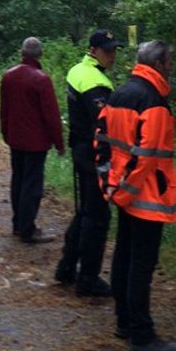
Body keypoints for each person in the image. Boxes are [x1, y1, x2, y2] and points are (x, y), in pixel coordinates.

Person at [95, 40, 176, 351]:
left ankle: (124, 322)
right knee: (140, 265)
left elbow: (102, 141)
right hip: (145, 197)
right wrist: (127, 192)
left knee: (123, 257)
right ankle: (142, 336)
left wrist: (111, 187)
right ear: (158, 64)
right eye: (170, 61)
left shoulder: (119, 93)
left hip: (124, 191)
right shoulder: (153, 100)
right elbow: (145, 156)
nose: (172, 66)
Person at [55, 29, 122, 298]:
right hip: (94, 153)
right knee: (98, 216)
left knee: (85, 211)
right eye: (107, 51)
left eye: (115, 50)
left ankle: (67, 267)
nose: (112, 55)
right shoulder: (97, 83)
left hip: (80, 150)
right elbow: (104, 126)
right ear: (93, 50)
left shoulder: (77, 71)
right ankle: (88, 278)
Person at [0, 37, 65, 243]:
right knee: (32, 185)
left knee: (18, 180)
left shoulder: (8, 76)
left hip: (16, 139)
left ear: (22, 52)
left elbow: (4, 109)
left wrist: (6, 133)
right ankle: (27, 229)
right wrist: (59, 142)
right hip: (36, 142)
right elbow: (51, 115)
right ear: (40, 54)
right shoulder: (41, 79)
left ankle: (18, 224)